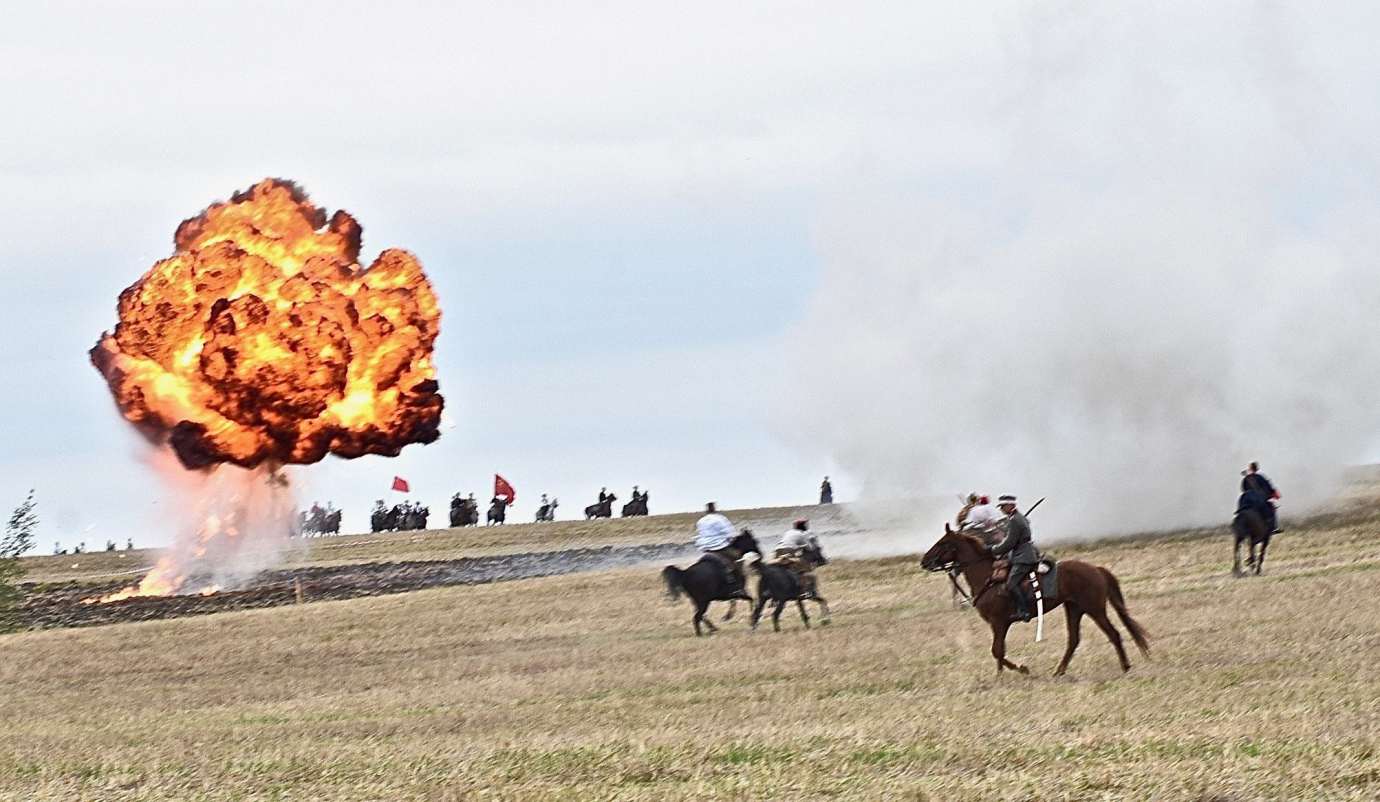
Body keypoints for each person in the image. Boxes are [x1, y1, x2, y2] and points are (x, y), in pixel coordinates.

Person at [990, 495, 1039, 621]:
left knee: (1011, 584)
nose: (1001, 509)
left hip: (1023, 556)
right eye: (1000, 507)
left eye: (1003, 506)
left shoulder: (1015, 520)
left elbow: (1009, 543)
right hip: (1021, 553)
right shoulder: (1017, 518)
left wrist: (992, 549)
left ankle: (1024, 611)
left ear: (1010, 505)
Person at [695, 502, 745, 593]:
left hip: (706, 548)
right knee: (738, 558)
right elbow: (729, 533)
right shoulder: (720, 518)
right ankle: (738, 585)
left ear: (706, 510)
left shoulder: (700, 521)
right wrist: (731, 540)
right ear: (715, 509)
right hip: (720, 546)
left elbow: (700, 534)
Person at [775, 519, 822, 595]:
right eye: (806, 525)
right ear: (803, 526)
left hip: (777, 550)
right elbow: (810, 548)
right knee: (803, 569)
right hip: (788, 551)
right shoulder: (802, 534)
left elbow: (787, 542)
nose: (807, 526)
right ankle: (805, 591)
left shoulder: (789, 532)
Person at [1239, 462, 1281, 534]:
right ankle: (1273, 528)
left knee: (1241, 509)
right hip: (1259, 500)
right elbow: (1267, 487)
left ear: (1250, 469)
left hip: (1248, 500)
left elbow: (1243, 489)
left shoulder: (1246, 479)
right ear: (1256, 469)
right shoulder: (1260, 477)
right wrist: (1271, 493)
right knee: (1271, 509)